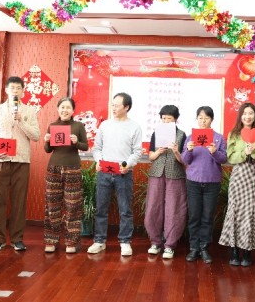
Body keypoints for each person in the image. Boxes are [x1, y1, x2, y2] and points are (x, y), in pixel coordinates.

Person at [0, 76, 40, 252]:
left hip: (21, 161)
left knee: (19, 201)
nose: (15, 91)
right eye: (12, 88)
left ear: (23, 92)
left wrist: (21, 120)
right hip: (0, 161)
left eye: (18, 88)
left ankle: (17, 238)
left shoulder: (29, 111)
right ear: (6, 90)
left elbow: (36, 136)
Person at [87, 93, 142, 256]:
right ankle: (99, 241)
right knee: (101, 208)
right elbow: (97, 148)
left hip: (124, 173)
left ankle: (125, 242)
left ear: (127, 107)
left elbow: (137, 152)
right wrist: (98, 161)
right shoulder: (105, 125)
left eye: (117, 105)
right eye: (113, 104)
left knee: (125, 209)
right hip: (104, 172)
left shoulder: (134, 127)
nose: (114, 108)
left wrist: (127, 164)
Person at [219, 102, 255, 266]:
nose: (248, 116)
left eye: (251, 113)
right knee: (235, 211)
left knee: (252, 212)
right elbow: (230, 157)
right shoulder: (233, 133)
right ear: (240, 116)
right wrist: (243, 152)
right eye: (245, 114)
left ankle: (247, 250)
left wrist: (254, 151)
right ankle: (233, 250)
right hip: (239, 175)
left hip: (254, 175)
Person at [182, 106, 227, 264]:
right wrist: (188, 150)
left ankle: (204, 248)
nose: (203, 121)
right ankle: (194, 248)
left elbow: (224, 159)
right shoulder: (190, 138)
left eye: (206, 118)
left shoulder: (219, 138)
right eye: (200, 118)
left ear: (211, 120)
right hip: (193, 182)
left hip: (212, 183)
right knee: (194, 216)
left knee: (207, 216)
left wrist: (214, 151)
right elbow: (185, 160)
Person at [42, 97, 88, 254]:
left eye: (68, 107)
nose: (65, 110)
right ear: (58, 109)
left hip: (73, 168)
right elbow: (48, 150)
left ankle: (71, 242)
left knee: (73, 205)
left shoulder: (78, 126)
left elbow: (85, 146)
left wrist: (76, 142)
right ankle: (51, 240)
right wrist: (46, 141)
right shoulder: (52, 126)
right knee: (52, 205)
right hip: (53, 168)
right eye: (62, 107)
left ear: (73, 110)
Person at [145, 105, 187, 260]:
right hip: (157, 173)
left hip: (175, 174)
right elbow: (150, 156)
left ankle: (170, 245)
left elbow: (184, 160)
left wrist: (176, 151)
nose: (166, 121)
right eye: (163, 118)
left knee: (174, 208)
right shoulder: (156, 133)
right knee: (153, 207)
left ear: (175, 119)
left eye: (169, 119)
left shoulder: (182, 135)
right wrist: (158, 152)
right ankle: (155, 242)